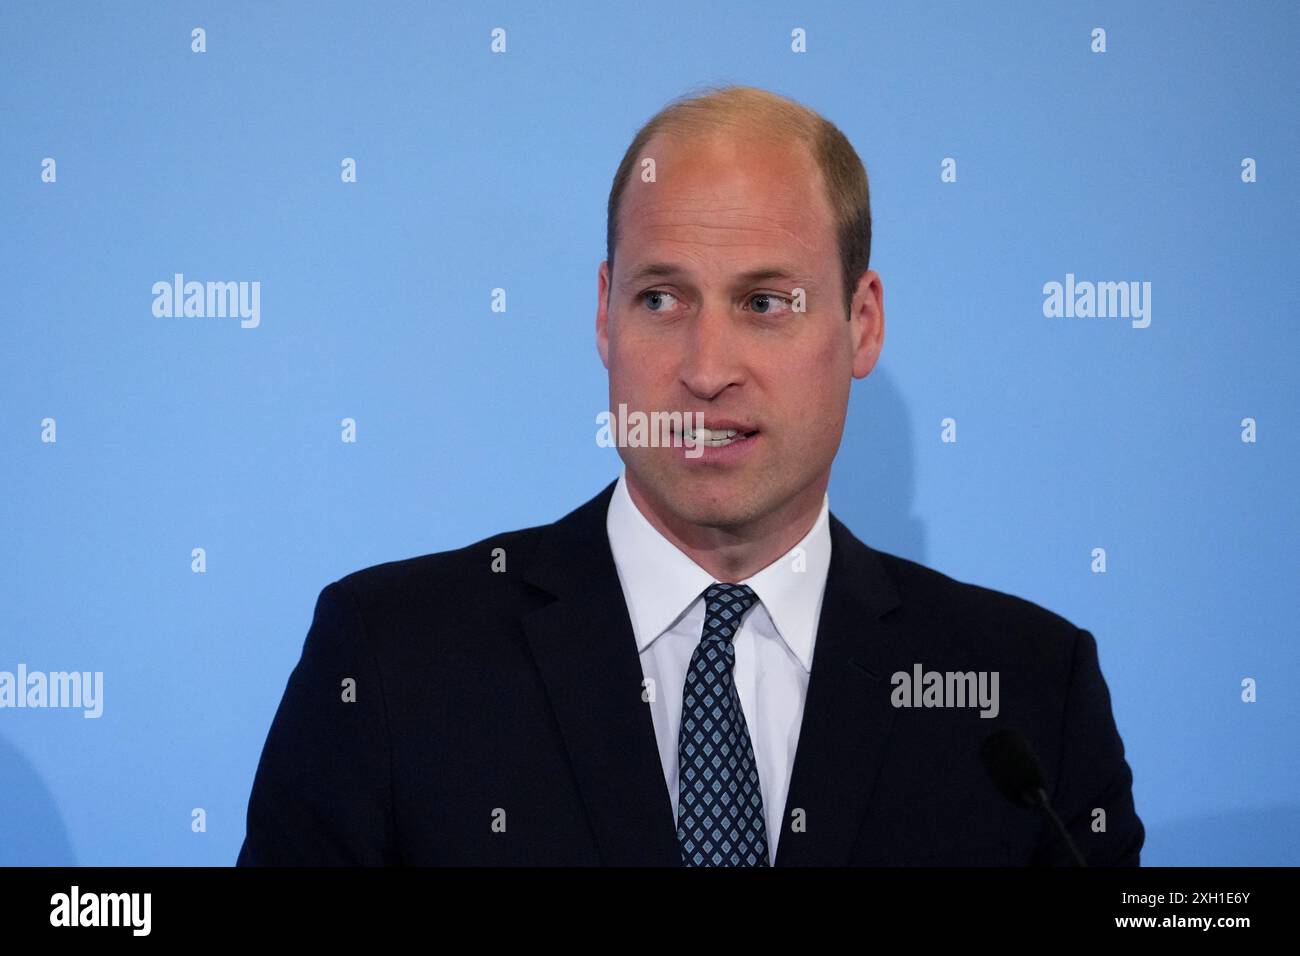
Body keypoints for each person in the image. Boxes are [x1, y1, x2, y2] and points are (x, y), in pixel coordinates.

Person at [237, 84, 1143, 866]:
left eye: (763, 302)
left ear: (862, 324)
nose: (707, 368)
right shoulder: (394, 661)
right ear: (604, 316)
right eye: (661, 299)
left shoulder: (1025, 691)